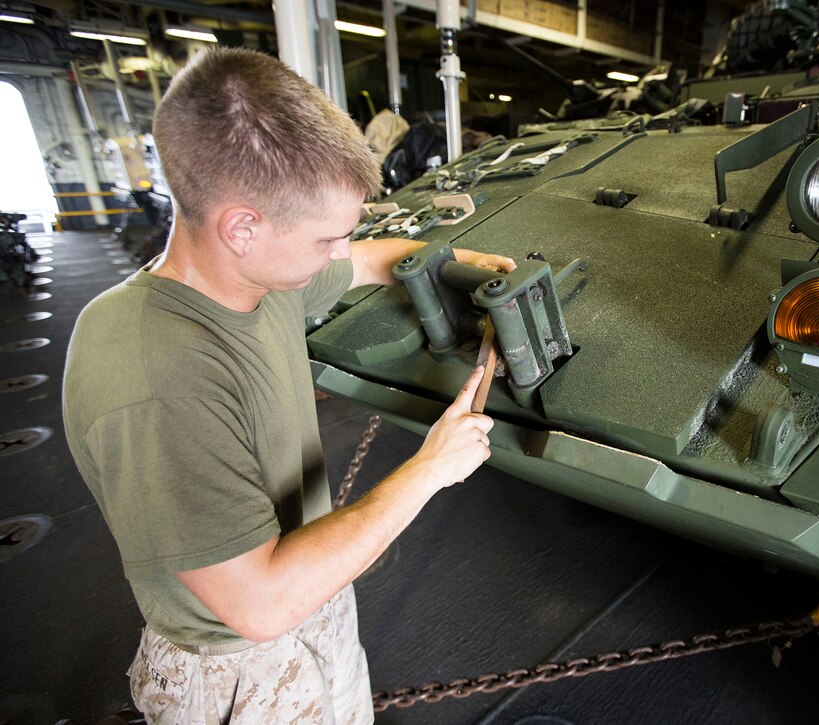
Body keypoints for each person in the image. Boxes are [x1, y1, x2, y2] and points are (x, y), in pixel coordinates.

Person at [61, 46, 516, 724]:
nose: (337, 251)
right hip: (239, 669)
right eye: (323, 238)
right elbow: (260, 602)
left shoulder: (259, 277)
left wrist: (463, 263)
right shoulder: (156, 376)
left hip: (313, 604)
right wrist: (431, 468)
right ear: (241, 226)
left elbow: (368, 259)